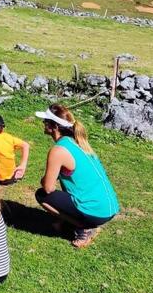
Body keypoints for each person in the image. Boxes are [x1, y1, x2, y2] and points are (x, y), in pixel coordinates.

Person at [34, 105, 120, 248]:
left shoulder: (58, 150)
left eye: (45, 121)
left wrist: (44, 180)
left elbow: (48, 188)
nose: (43, 123)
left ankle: (83, 227)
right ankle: (75, 221)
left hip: (96, 211)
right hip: (108, 209)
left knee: (42, 195)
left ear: (54, 126)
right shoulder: (78, 143)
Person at [0, 113, 30, 185]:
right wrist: (23, 165)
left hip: (1, 179)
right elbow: (26, 145)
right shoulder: (7, 136)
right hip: (13, 176)